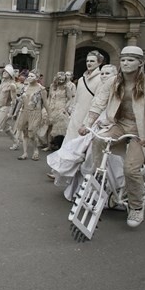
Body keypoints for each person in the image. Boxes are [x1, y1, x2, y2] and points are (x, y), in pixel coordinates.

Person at [79, 46, 145, 228]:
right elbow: (98, 103)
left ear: (140, 63)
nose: (125, 63)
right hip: (119, 124)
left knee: (131, 169)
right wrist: (87, 123)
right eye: (123, 59)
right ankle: (99, 177)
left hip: (140, 130)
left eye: (131, 60)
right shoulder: (113, 82)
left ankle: (136, 207)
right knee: (98, 139)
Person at [47, 64, 118, 195]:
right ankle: (80, 190)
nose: (103, 76)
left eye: (107, 74)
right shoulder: (100, 88)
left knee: (94, 158)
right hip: (92, 124)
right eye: (102, 73)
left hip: (108, 127)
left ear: (115, 75)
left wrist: (107, 121)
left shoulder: (117, 90)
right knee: (82, 155)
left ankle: (100, 192)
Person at [63, 50, 104, 143]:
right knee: (70, 140)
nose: (89, 63)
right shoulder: (81, 79)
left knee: (83, 142)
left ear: (99, 62)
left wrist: (89, 120)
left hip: (89, 115)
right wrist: (72, 111)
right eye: (87, 61)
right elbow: (76, 98)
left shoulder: (101, 79)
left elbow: (98, 100)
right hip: (76, 114)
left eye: (92, 61)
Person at [14, 70, 50, 161]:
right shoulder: (25, 88)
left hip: (35, 113)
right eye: (29, 76)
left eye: (32, 76)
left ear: (37, 78)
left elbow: (45, 103)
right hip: (24, 112)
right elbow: (20, 101)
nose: (29, 78)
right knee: (25, 132)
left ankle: (35, 150)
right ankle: (25, 153)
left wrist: (49, 115)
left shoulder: (41, 89)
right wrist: (15, 111)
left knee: (32, 133)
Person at [43, 72, 74, 151]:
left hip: (61, 108)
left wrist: (65, 108)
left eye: (62, 80)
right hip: (51, 107)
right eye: (59, 79)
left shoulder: (66, 87)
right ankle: (49, 145)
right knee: (49, 127)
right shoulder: (52, 86)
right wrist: (47, 107)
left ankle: (58, 145)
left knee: (58, 128)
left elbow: (70, 99)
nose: (61, 81)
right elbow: (49, 97)